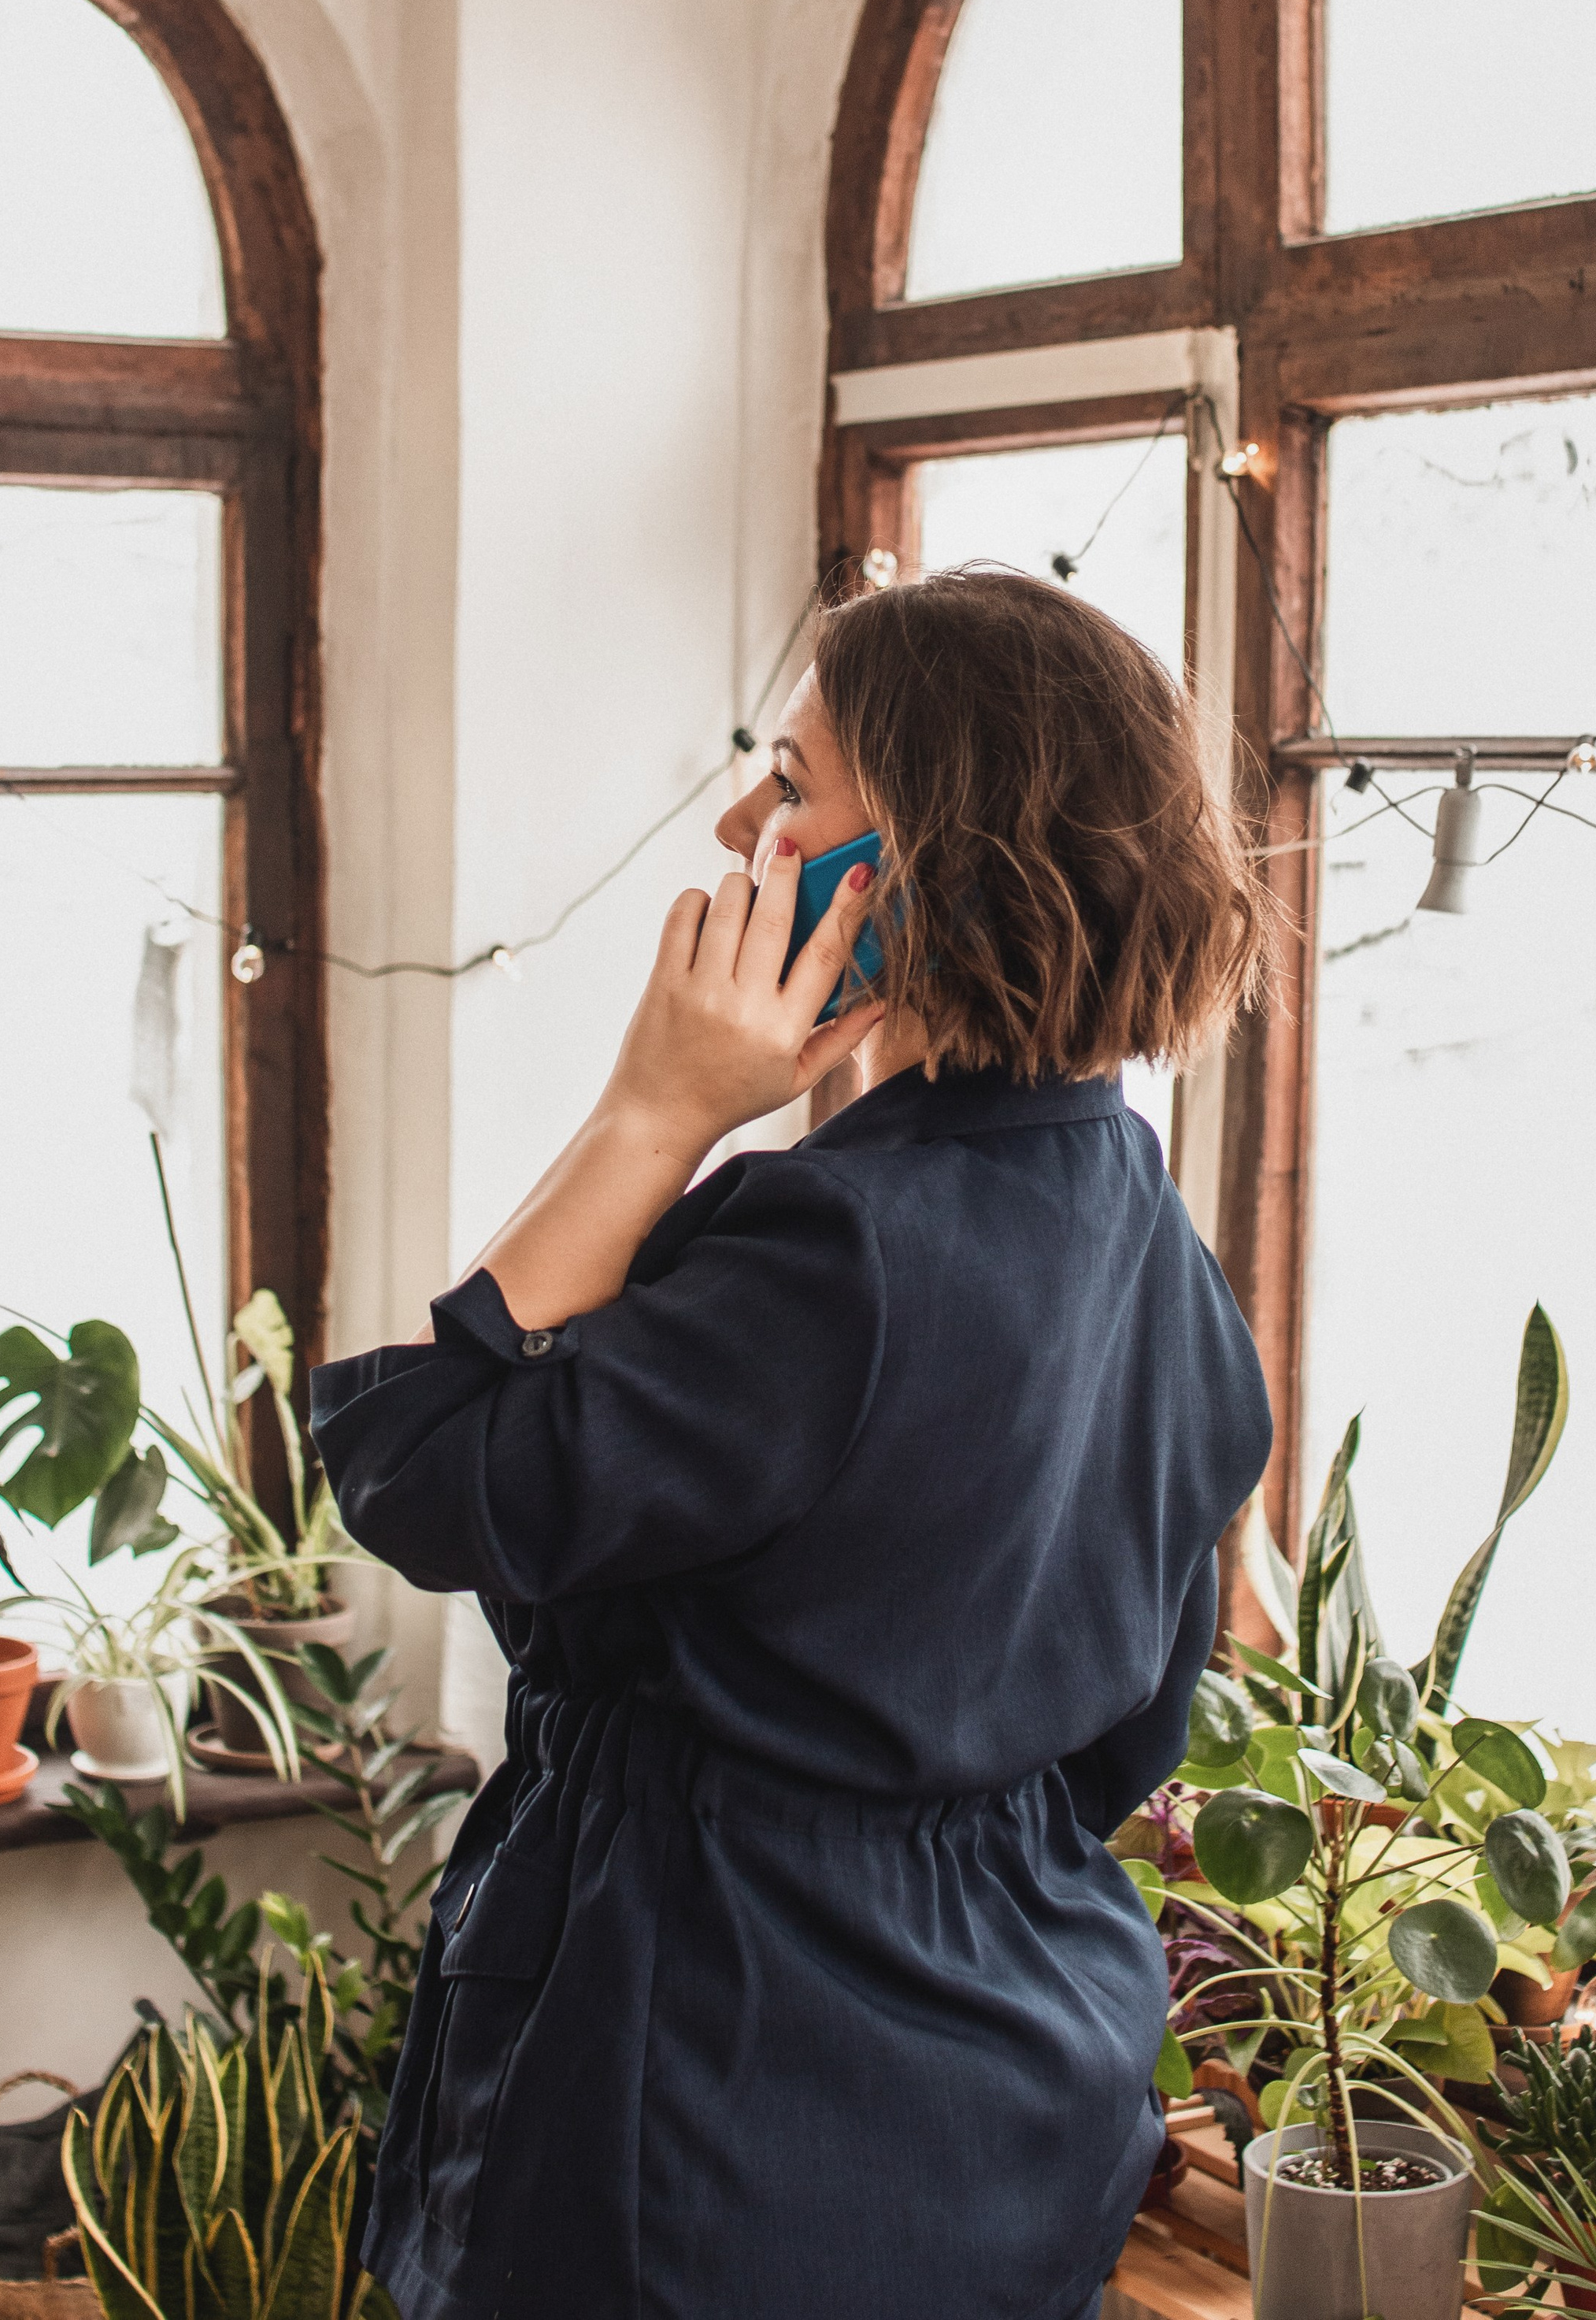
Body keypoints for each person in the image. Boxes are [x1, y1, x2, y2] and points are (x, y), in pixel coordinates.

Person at [312, 565, 1275, 2320]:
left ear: (921, 863)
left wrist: (653, 1109)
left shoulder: (825, 1254)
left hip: (715, 2106)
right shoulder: (1153, 1241)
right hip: (1022, 2078)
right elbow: (1123, 1738)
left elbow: (423, 1465)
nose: (739, 817)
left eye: (794, 780)